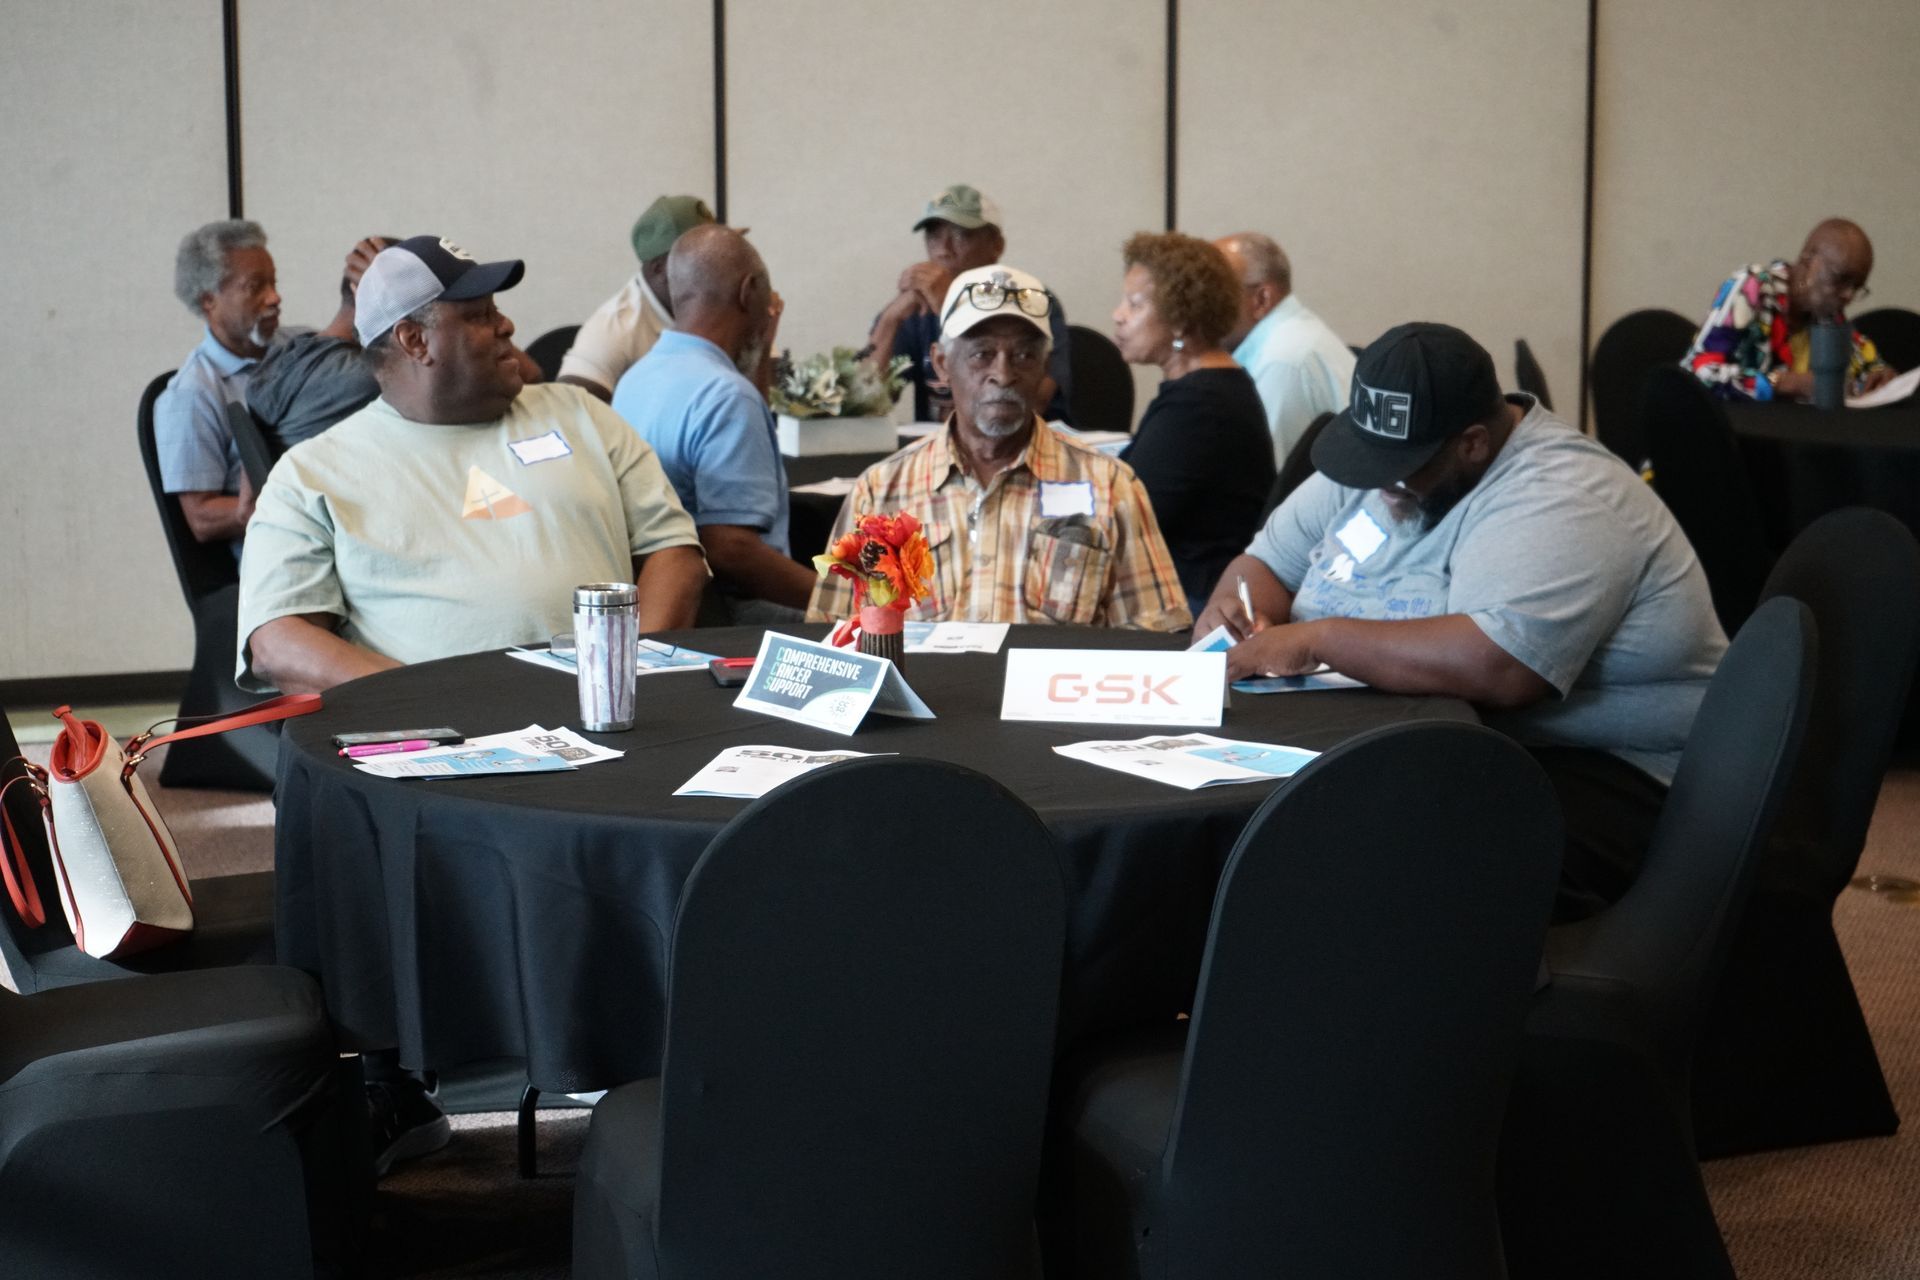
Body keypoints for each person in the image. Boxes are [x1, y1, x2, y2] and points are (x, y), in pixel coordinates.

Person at [1196, 322, 1727, 921]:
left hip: (1610, 769)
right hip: (1442, 739)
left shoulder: (1562, 495)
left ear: (1472, 443)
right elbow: (1267, 561)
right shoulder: (1388, 461)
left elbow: (1498, 668)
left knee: (1384, 861)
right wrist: (1238, 611)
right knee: (1267, 831)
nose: (1378, 484)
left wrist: (1319, 639)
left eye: (1402, 468)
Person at [237, 234, 707, 697]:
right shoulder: (313, 472)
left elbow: (675, 553)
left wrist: (623, 675)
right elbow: (277, 643)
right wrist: (436, 702)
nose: (507, 326)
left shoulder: (582, 415)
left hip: (608, 714)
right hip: (437, 742)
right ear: (415, 340)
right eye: (480, 315)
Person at [809, 265, 1188, 630]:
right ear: (942, 364)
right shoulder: (882, 492)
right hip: (927, 696)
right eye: (982, 354)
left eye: (1023, 355)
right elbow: (834, 638)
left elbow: (1153, 639)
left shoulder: (1108, 486)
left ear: (1045, 366)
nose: (1003, 374)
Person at [611, 225, 811, 620]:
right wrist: (839, 598)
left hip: (653, 613)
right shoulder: (727, 396)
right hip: (728, 619)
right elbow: (731, 550)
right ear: (748, 291)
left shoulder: (635, 379)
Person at [1112, 231, 1274, 612]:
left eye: (1135, 305)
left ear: (1180, 319)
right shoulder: (1207, 387)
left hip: (1191, 601)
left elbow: (1124, 519)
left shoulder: (1199, 406)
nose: (1118, 315)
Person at [866, 183, 1073, 423]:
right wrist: (890, 320)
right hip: (942, 451)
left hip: (1027, 446)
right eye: (933, 236)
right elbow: (870, 403)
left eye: (959, 235)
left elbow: (1032, 402)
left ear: (997, 245)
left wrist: (952, 305)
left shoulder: (1030, 299)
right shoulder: (915, 309)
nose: (943, 250)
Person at [155, 219, 283, 545]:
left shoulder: (298, 346)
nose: (274, 298)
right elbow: (201, 517)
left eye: (274, 283)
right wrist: (281, 508)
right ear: (208, 300)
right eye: (255, 287)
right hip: (277, 559)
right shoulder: (191, 394)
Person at [1682, 217, 1898, 401]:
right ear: (1807, 261)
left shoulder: (1829, 313)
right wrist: (1784, 383)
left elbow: (1865, 363)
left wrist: (1880, 377)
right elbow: (1697, 373)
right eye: (1841, 279)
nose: (1848, 295)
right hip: (1741, 439)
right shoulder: (1752, 288)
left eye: (1857, 286)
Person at [558, 195, 717, 401]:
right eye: (700, 258)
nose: (713, 267)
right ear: (660, 268)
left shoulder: (721, 300)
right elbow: (570, 410)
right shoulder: (615, 326)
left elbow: (769, 397)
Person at [1214, 231, 1354, 463]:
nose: (1200, 306)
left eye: (1215, 293)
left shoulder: (1283, 362)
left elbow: (1265, 480)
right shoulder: (1289, 339)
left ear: (1261, 300)